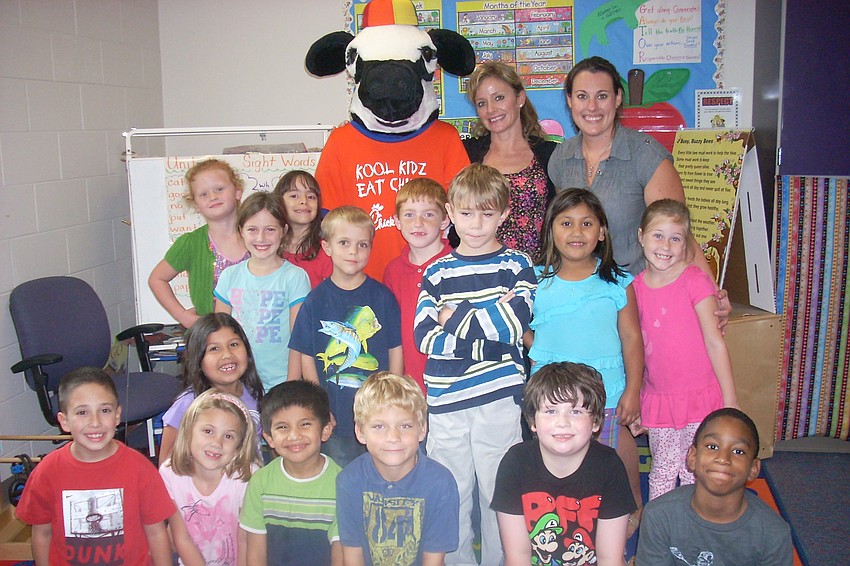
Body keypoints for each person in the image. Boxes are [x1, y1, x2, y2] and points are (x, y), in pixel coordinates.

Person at [414, 163, 537, 565]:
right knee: (451, 493)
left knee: (498, 494)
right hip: (446, 401)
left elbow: (514, 324)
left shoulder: (516, 265)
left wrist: (454, 318)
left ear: (504, 214)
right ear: (450, 213)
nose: (476, 223)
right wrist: (491, 343)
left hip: (499, 398)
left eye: (487, 213)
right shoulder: (436, 271)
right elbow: (424, 337)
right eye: (466, 213)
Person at [526, 188, 645, 535]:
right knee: (559, 458)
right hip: (552, 395)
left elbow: (632, 338)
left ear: (602, 232)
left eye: (587, 224)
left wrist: (633, 390)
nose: (576, 232)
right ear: (551, 230)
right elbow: (521, 328)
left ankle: (633, 505)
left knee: (614, 453)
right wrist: (541, 350)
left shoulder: (618, 283)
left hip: (607, 391)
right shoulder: (534, 280)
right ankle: (566, 518)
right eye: (566, 223)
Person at [16, 367, 175, 565]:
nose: (95, 422)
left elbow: (156, 532)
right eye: (82, 412)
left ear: (117, 415)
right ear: (64, 422)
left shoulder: (140, 468)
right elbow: (42, 533)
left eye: (105, 410)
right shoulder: (47, 471)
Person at [634, 199, 738, 500]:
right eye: (658, 235)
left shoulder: (695, 281)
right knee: (663, 469)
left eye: (676, 238)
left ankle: (694, 523)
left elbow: (715, 341)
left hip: (701, 398)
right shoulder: (635, 289)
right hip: (660, 399)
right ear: (641, 236)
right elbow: (636, 350)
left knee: (696, 468)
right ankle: (661, 524)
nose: (666, 246)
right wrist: (638, 398)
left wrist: (730, 399)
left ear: (685, 244)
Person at [289, 206, 403, 467]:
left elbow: (395, 350)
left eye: (362, 245)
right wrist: (320, 406)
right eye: (344, 243)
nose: (353, 252)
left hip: (378, 414)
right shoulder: (315, 300)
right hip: (335, 416)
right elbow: (307, 357)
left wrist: (392, 399)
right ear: (327, 247)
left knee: (382, 472)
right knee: (341, 476)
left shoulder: (383, 297)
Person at [492, 362, 636, 566]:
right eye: (550, 411)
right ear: (533, 421)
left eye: (575, 412)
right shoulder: (515, 463)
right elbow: (517, 556)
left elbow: (610, 558)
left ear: (595, 422)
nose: (562, 422)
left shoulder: (609, 466)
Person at [636, 408, 793, 565]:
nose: (723, 459)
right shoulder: (658, 515)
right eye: (712, 447)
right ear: (692, 457)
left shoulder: (773, 533)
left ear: (753, 469)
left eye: (738, 451)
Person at [337, 372, 460, 565]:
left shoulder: (440, 484)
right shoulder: (348, 481)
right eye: (379, 426)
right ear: (360, 432)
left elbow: (433, 559)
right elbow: (353, 555)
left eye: (405, 426)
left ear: (422, 429)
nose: (393, 437)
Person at [239, 380, 342, 566]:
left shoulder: (342, 484)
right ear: (269, 438)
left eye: (305, 424)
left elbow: (341, 553)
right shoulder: (260, 482)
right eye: (282, 427)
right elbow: (255, 552)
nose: (294, 436)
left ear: (325, 430)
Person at [215, 191, 311, 390]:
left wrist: (290, 386)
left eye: (270, 229)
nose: (261, 238)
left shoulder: (295, 277)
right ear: (241, 230)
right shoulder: (229, 276)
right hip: (239, 384)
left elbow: (298, 341)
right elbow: (219, 335)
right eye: (252, 229)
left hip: (281, 383)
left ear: (284, 230)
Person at [463, 61, 558, 261]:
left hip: (536, 272)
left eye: (499, 98)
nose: (491, 109)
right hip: (481, 271)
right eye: (482, 103)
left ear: (520, 98)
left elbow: (564, 215)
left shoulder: (550, 154)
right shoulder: (466, 154)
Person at [159, 390, 261, 566]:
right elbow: (181, 537)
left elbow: (246, 540)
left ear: (239, 445)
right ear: (189, 431)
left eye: (228, 436)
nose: (217, 443)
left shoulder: (247, 477)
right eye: (208, 431)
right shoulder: (171, 473)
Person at [149, 158, 248, 328]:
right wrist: (182, 316)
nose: (213, 197)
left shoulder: (259, 236)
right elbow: (157, 279)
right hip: (210, 337)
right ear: (196, 204)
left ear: (237, 192)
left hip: (257, 334)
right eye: (204, 194)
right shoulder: (192, 243)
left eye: (219, 189)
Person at [159, 313, 264, 464]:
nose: (227, 355)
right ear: (198, 359)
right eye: (214, 348)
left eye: (234, 344)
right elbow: (166, 462)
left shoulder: (253, 393)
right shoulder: (189, 403)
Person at [382, 178, 452, 393]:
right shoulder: (393, 271)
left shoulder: (457, 265)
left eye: (428, 214)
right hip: (409, 385)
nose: (418, 223)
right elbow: (391, 332)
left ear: (445, 220)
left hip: (452, 383)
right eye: (409, 215)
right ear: (397, 221)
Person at [272, 170, 333, 288]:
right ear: (279, 202)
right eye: (294, 196)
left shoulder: (327, 252)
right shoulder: (269, 248)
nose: (304, 201)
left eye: (311, 197)